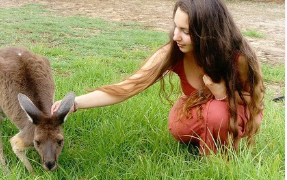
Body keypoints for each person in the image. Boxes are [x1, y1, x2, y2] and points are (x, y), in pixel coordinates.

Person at [51, 0, 265, 155]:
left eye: (185, 31)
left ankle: (218, 154)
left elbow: (252, 100)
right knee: (178, 126)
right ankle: (210, 131)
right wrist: (75, 103)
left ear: (207, 33)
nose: (175, 36)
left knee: (217, 114)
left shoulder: (237, 58)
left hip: (235, 107)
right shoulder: (172, 52)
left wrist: (222, 93)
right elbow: (128, 86)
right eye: (175, 27)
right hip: (198, 105)